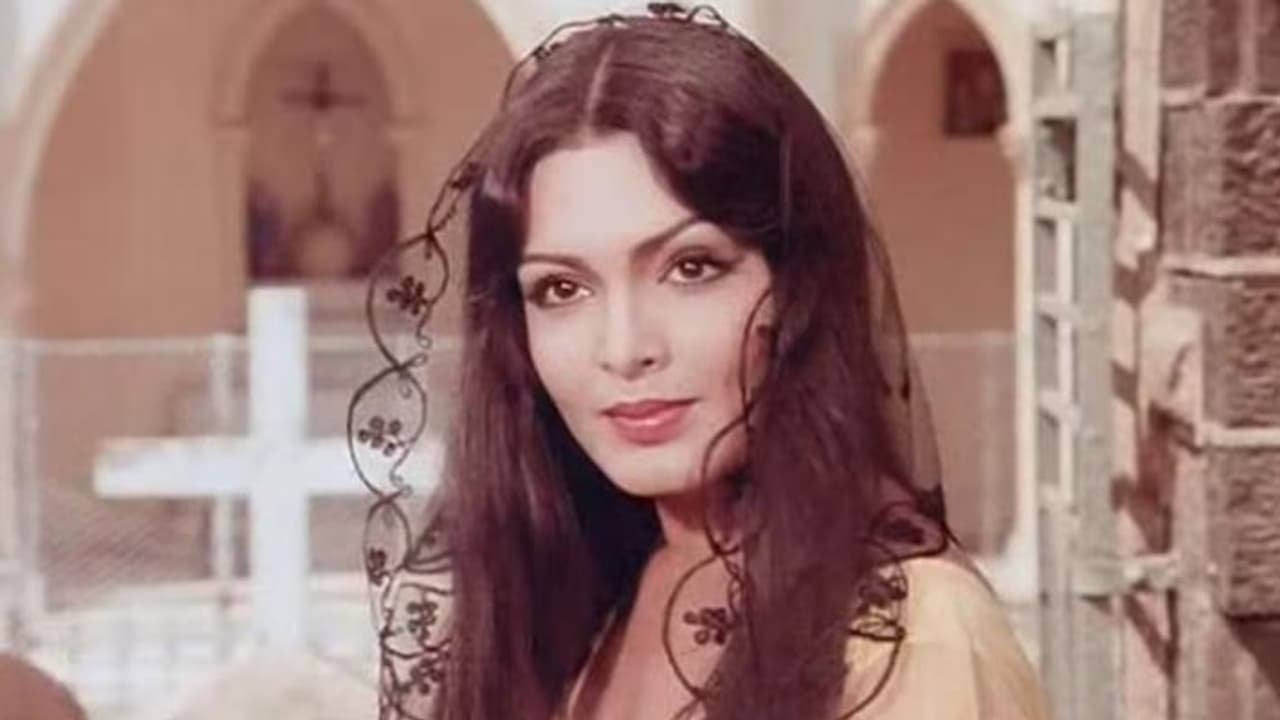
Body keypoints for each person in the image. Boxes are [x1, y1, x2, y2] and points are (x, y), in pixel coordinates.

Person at [348, 4, 1050, 719]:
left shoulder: (915, 637)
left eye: (691, 268)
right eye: (562, 289)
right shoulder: (593, 593)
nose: (624, 349)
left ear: (797, 285)